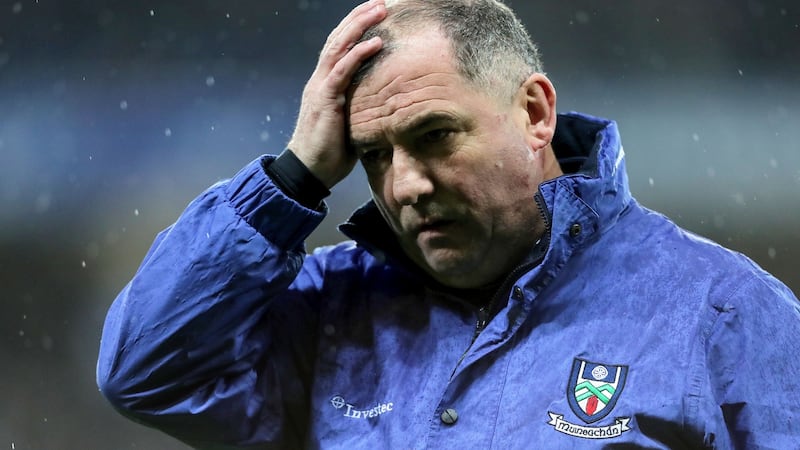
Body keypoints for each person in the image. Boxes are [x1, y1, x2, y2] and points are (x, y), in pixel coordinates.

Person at [96, 0, 800, 448]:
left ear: (534, 114)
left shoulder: (724, 313)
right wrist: (294, 178)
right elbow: (147, 373)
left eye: (435, 135)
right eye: (373, 155)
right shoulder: (332, 310)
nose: (405, 184)